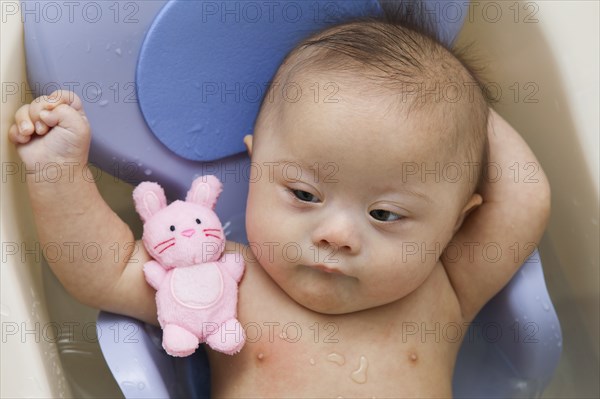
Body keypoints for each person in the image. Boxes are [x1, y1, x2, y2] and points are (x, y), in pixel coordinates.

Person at [8, 8, 550, 398]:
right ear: (256, 164)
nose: (336, 234)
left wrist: (455, 108)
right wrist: (58, 172)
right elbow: (105, 270)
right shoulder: (225, 279)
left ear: (456, 222)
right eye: (304, 194)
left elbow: (524, 198)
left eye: (385, 214)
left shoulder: (447, 289)